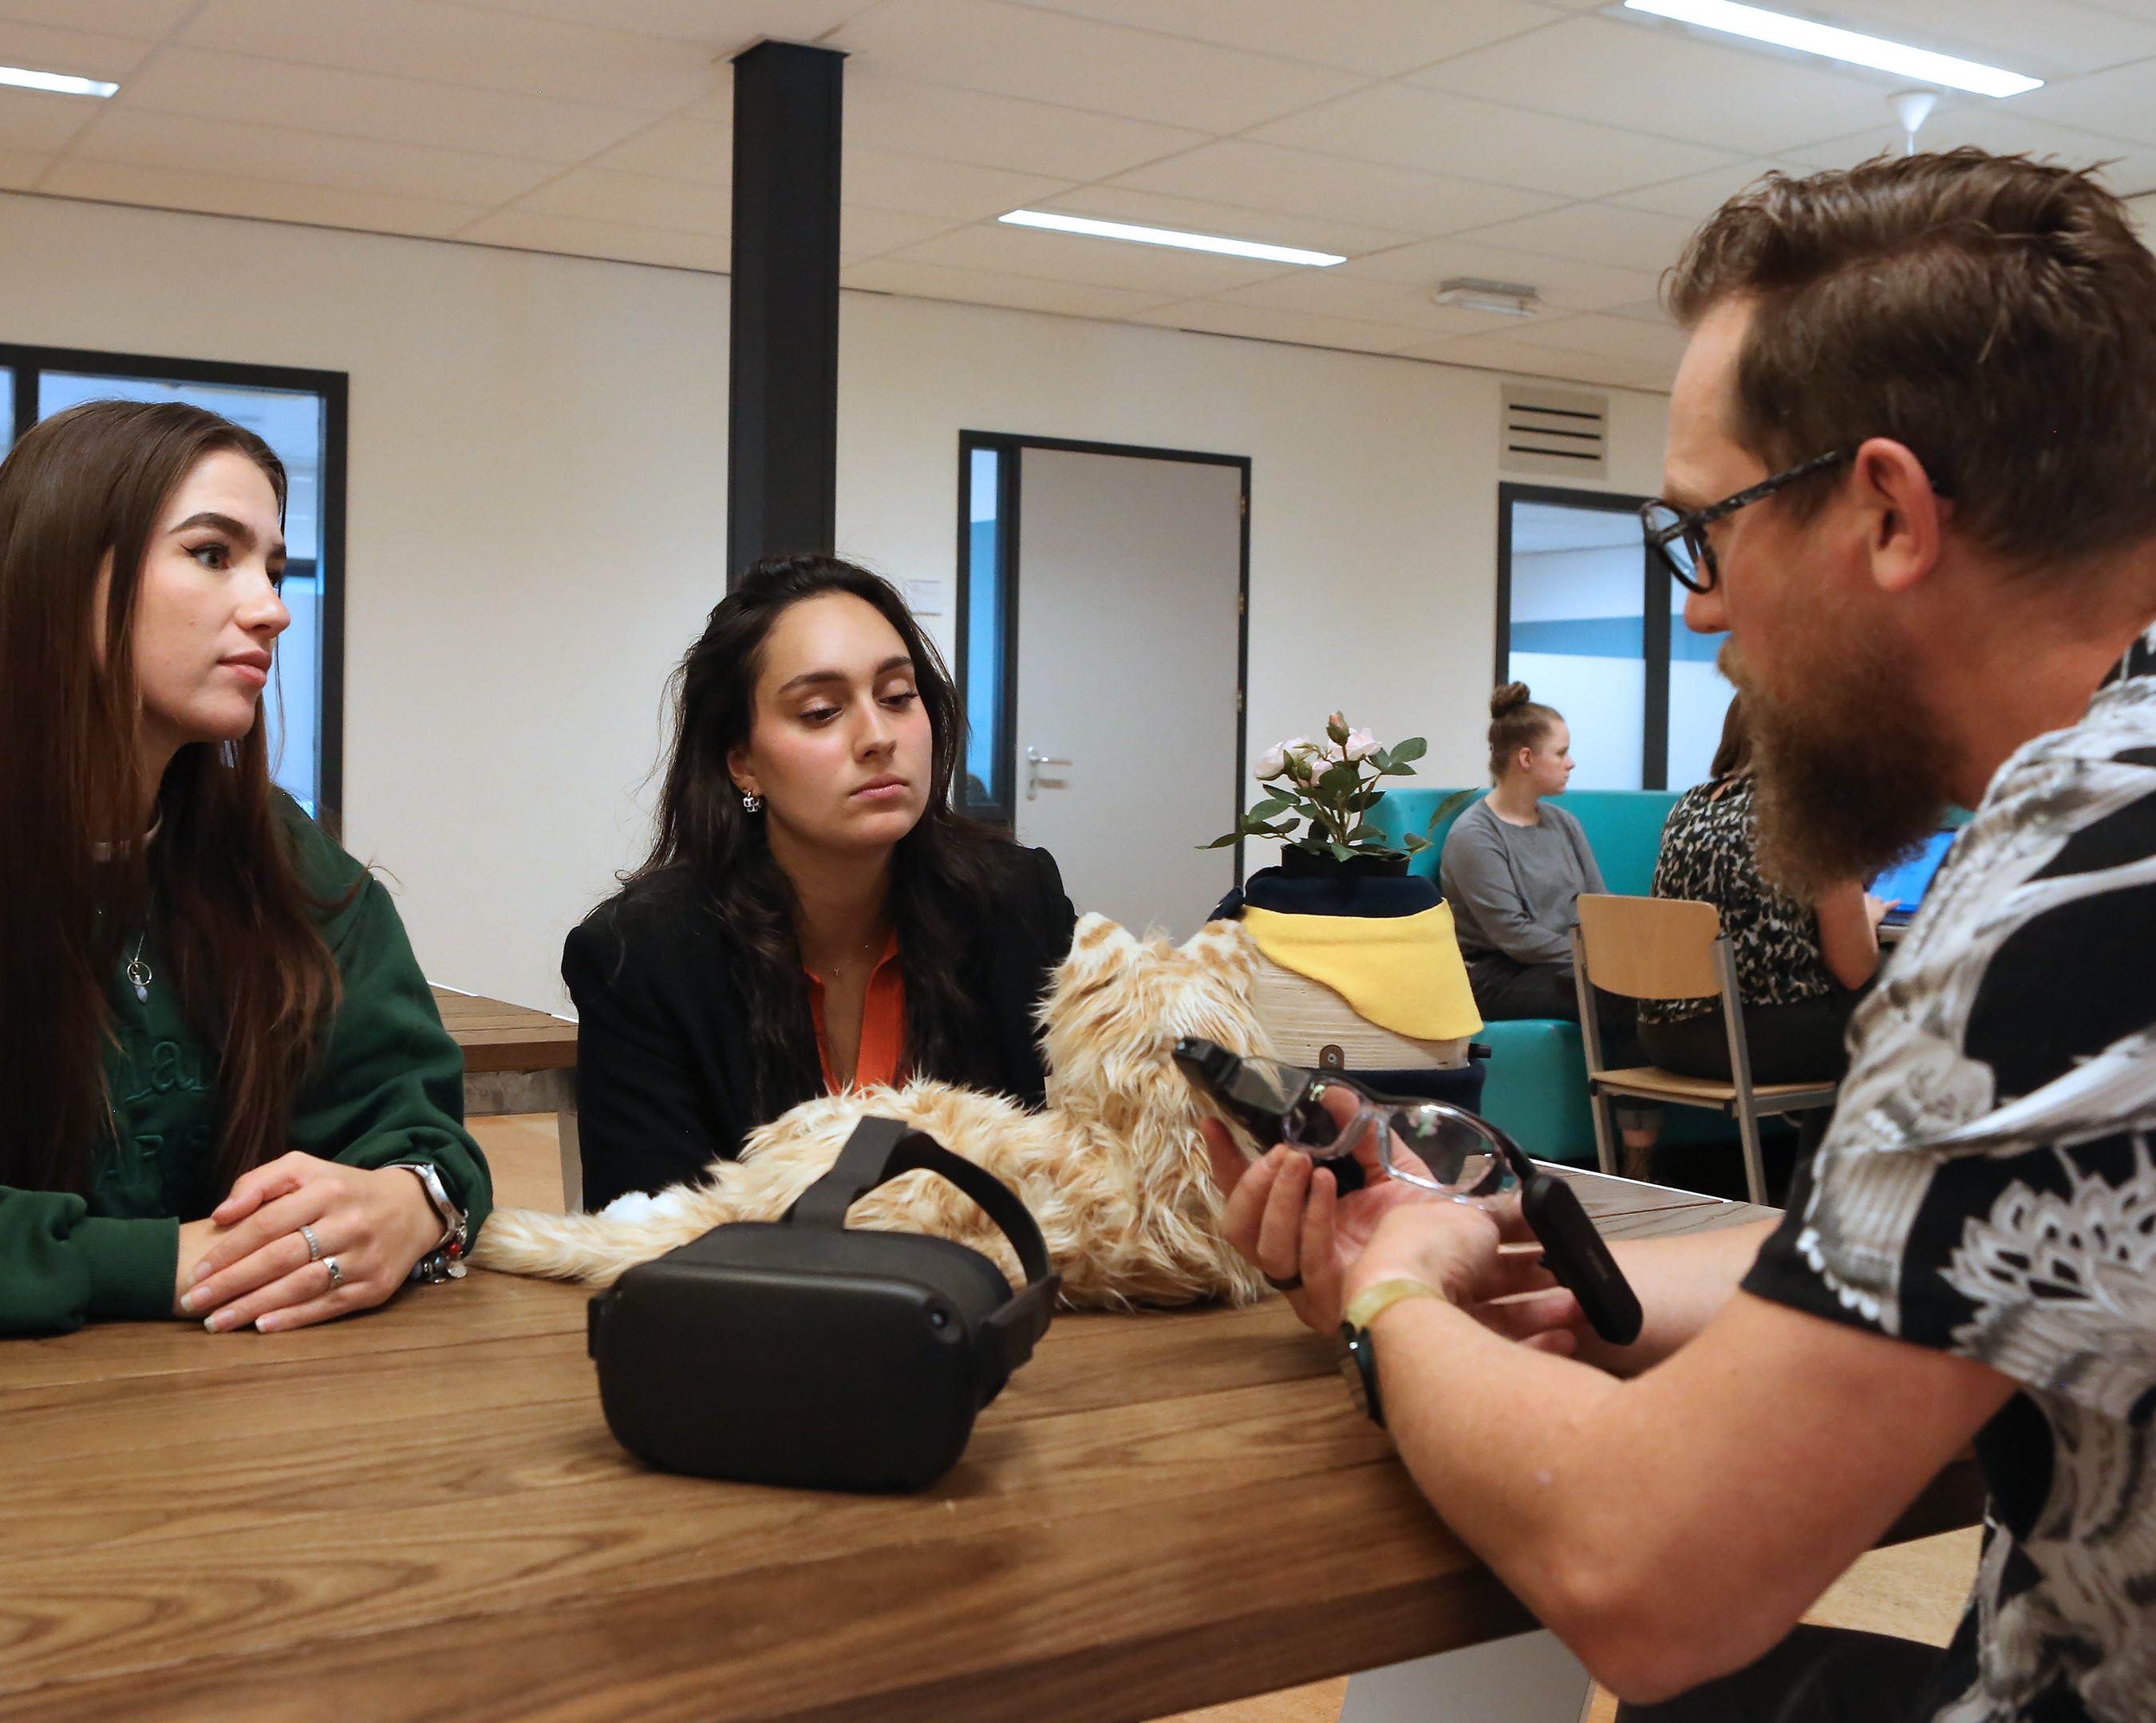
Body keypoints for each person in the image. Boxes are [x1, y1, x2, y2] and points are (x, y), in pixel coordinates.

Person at [1205, 149, 2156, 1723]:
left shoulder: (2066, 894)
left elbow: (1646, 1570)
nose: (1701, 614)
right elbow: (1969, 1231)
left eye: (1699, 534)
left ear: (1887, 511)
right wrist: (1584, 1280)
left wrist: (1393, 1290)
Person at [0, 401, 490, 1338]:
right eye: (212, 554)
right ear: (62, 575)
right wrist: (155, 1261)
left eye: (270, 562)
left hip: (236, 1410)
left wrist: (409, 1200)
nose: (270, 606)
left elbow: (417, 1123)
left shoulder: (273, 848)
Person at [567, 554, 1076, 1211]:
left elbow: (1078, 1165)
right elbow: (649, 1228)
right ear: (743, 763)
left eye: (898, 697)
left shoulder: (1015, 900)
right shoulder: (643, 953)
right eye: (820, 711)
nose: (877, 736)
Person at [1443, 682, 1656, 1148]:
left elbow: (1598, 905)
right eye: (1561, 753)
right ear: (1525, 759)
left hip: (1567, 962)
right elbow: (1515, 937)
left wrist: (1617, 951)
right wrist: (1594, 956)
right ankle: (1636, 1149)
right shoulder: (1474, 835)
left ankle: (1642, 1144)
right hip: (1498, 976)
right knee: (1617, 995)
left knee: (1648, 987)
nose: (1570, 762)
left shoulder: (1564, 823)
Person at [1637, 693, 1889, 1085]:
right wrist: (1867, 918)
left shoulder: (1687, 806)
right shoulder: (1814, 811)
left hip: (1664, 1035)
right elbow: (1855, 970)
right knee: (1905, 992)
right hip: (1757, 1040)